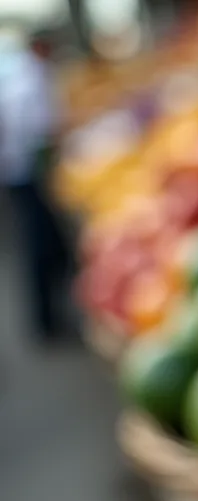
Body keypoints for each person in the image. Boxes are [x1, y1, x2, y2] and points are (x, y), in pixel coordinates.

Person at [1, 31, 72, 343]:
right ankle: (46, 321)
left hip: (17, 171)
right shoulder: (34, 78)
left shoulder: (18, 76)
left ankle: (49, 317)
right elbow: (42, 129)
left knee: (44, 244)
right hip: (27, 173)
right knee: (39, 245)